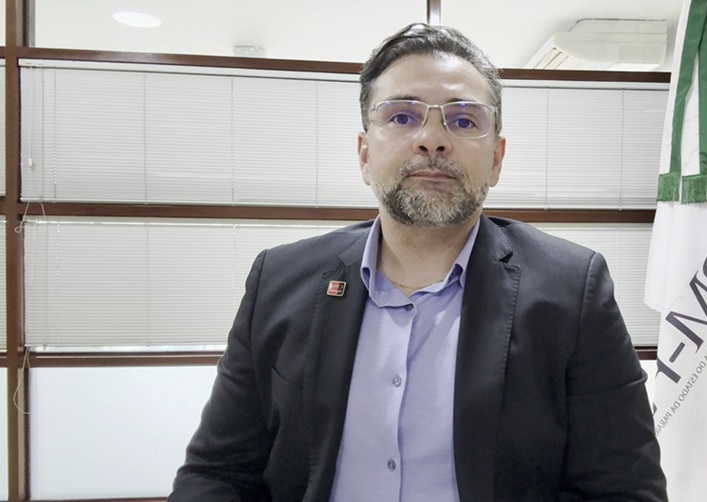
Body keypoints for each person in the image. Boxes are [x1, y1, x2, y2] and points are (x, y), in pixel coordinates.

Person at [169, 22, 667, 502]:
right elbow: (218, 473)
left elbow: (624, 490)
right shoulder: (279, 282)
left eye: (464, 120)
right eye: (402, 117)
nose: (432, 139)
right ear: (364, 154)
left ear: (496, 159)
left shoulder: (572, 292)